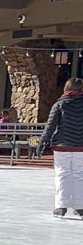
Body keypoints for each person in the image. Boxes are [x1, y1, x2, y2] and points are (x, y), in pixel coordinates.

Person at [38, 78, 83, 218]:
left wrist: (42, 142)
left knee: (62, 175)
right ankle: (80, 206)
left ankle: (61, 206)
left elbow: (50, 126)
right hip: (81, 146)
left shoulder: (60, 104)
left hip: (62, 145)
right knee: (79, 175)